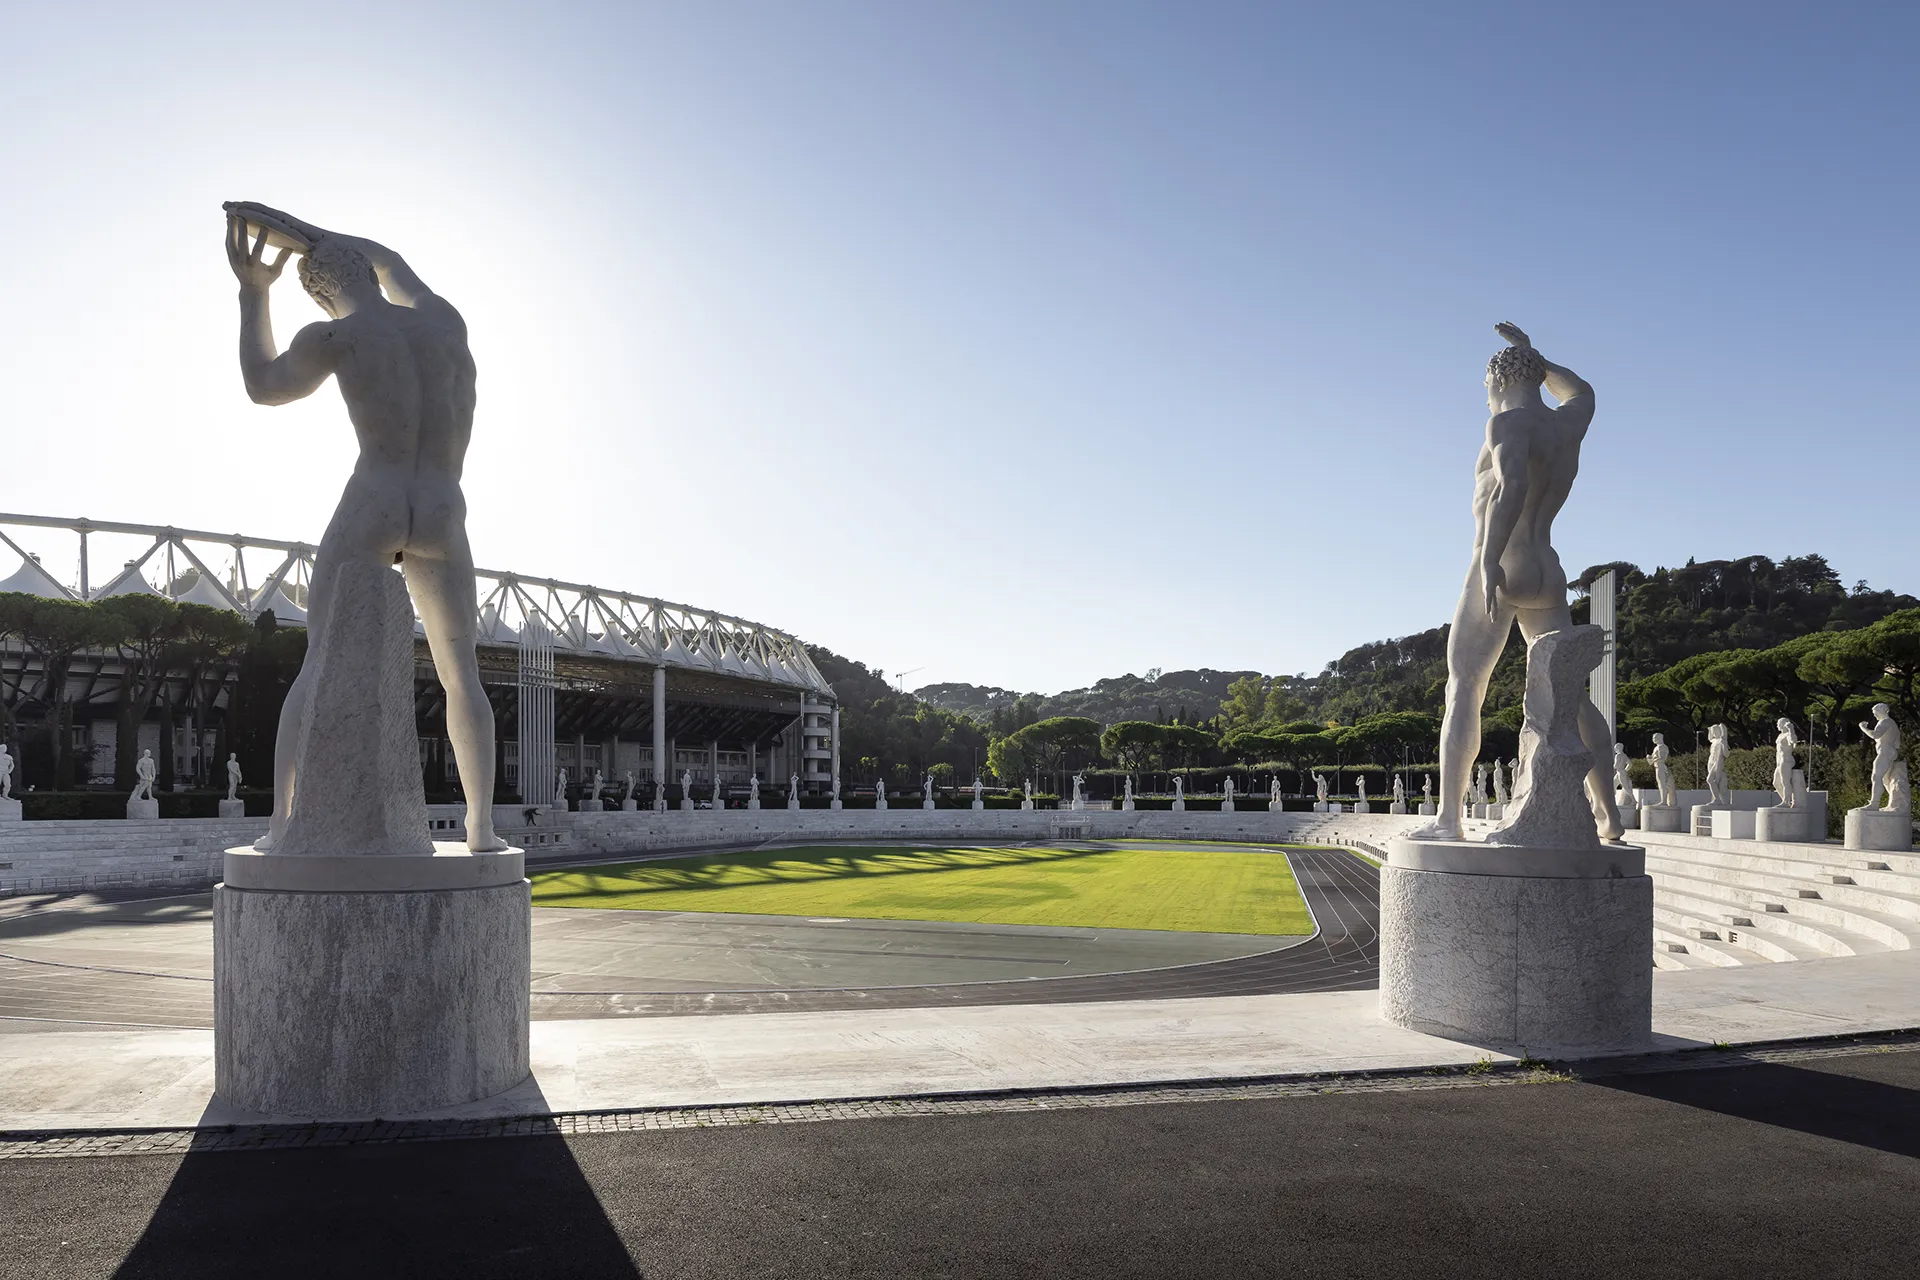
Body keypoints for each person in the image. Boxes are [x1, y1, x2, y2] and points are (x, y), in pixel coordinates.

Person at [224, 203, 504, 853]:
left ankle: (280, 826)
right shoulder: (442, 322)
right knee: (461, 674)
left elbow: (263, 388)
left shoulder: (335, 337)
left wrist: (252, 293)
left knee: (317, 661)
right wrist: (331, 239)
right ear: (369, 271)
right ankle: (482, 827)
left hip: (375, 498)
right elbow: (396, 263)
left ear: (322, 293)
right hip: (442, 507)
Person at [1410, 324, 1623, 842]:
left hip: (1504, 563)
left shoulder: (1506, 423)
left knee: (1464, 686)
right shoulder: (1566, 424)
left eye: (1486, 386)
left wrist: (1486, 561)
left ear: (1498, 379)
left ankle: (1449, 820)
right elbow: (1583, 391)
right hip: (1547, 567)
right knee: (1571, 697)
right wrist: (1536, 356)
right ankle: (1608, 814)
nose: (1486, 396)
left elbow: (1512, 484)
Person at [1859, 705, 1902, 811]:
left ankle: (1874, 804)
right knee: (1886, 780)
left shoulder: (1885, 722)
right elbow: (1897, 743)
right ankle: (1894, 803)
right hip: (1890, 752)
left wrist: (1863, 727)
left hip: (1885, 752)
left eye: (1875, 712)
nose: (1874, 715)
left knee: (1876, 777)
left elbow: (1875, 735)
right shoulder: (1892, 723)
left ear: (1882, 711)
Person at [1705, 725, 1731, 808]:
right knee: (1715, 782)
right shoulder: (1714, 742)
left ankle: (1717, 799)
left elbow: (1726, 754)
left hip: (1717, 763)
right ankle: (1717, 798)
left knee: (1710, 780)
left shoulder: (1722, 741)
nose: (1715, 733)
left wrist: (1724, 744)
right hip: (1711, 762)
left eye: (1716, 731)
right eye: (1713, 732)